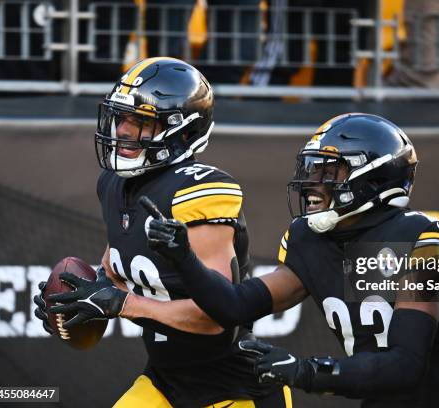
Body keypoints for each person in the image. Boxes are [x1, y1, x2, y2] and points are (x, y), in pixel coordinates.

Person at [142, 113, 439, 407]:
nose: (311, 183)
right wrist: (184, 258)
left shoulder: (417, 239)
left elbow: (405, 365)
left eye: (328, 172)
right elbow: (235, 306)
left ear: (374, 177)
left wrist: (305, 370)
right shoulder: (310, 240)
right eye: (311, 170)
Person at [32, 57, 291, 407]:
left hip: (233, 386)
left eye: (140, 122)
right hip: (165, 380)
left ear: (183, 133)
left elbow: (217, 317)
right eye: (121, 117)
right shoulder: (113, 183)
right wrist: (80, 297)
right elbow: (117, 270)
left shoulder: (199, 192)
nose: (122, 130)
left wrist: (125, 305)